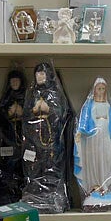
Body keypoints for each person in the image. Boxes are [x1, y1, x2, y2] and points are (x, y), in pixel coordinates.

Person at [21, 62, 71, 213]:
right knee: (34, 166)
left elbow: (62, 114)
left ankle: (51, 194)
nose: (40, 76)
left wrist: (49, 109)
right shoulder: (32, 94)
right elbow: (26, 115)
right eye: (37, 73)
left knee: (51, 164)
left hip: (50, 137)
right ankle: (36, 194)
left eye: (42, 73)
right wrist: (34, 109)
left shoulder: (55, 93)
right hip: (34, 137)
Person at [74, 78, 111, 209]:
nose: (101, 91)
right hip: (93, 138)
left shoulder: (108, 106)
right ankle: (95, 185)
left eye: (103, 89)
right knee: (94, 159)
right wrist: (80, 132)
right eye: (99, 88)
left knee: (105, 159)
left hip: (105, 137)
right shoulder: (89, 106)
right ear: (94, 90)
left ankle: (104, 184)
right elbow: (84, 122)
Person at [0, 69, 26, 205]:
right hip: (8, 139)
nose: (15, 83)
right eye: (12, 81)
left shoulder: (26, 97)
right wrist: (8, 113)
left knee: (23, 166)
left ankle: (21, 193)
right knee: (7, 167)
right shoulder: (6, 99)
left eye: (17, 81)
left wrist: (22, 112)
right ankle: (6, 196)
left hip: (22, 139)